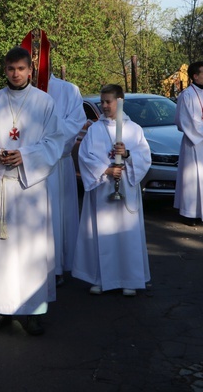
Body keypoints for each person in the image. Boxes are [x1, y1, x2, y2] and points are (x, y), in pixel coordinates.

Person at [0, 46, 64, 335]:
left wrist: (25, 155)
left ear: (30, 70)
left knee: (31, 250)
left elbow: (55, 142)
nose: (16, 74)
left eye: (21, 69)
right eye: (11, 69)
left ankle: (33, 311)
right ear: (5, 70)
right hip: (0, 188)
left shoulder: (44, 103)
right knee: (1, 253)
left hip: (30, 191)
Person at [72, 84, 151, 296]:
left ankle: (129, 279)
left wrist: (127, 155)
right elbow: (84, 157)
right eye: (102, 102)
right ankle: (99, 277)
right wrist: (106, 169)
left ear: (120, 101)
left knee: (127, 233)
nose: (104, 106)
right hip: (102, 188)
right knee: (101, 232)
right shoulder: (95, 130)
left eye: (109, 101)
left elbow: (145, 157)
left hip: (126, 187)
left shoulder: (134, 129)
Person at [47, 73, 86, 287]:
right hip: (26, 163)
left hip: (57, 164)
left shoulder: (68, 89)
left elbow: (76, 122)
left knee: (57, 216)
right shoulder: (20, 90)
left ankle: (57, 266)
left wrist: (48, 138)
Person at [174, 61, 203, 226]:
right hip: (193, 143)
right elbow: (184, 120)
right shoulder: (186, 95)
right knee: (192, 177)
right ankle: (189, 213)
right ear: (195, 76)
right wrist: (202, 133)